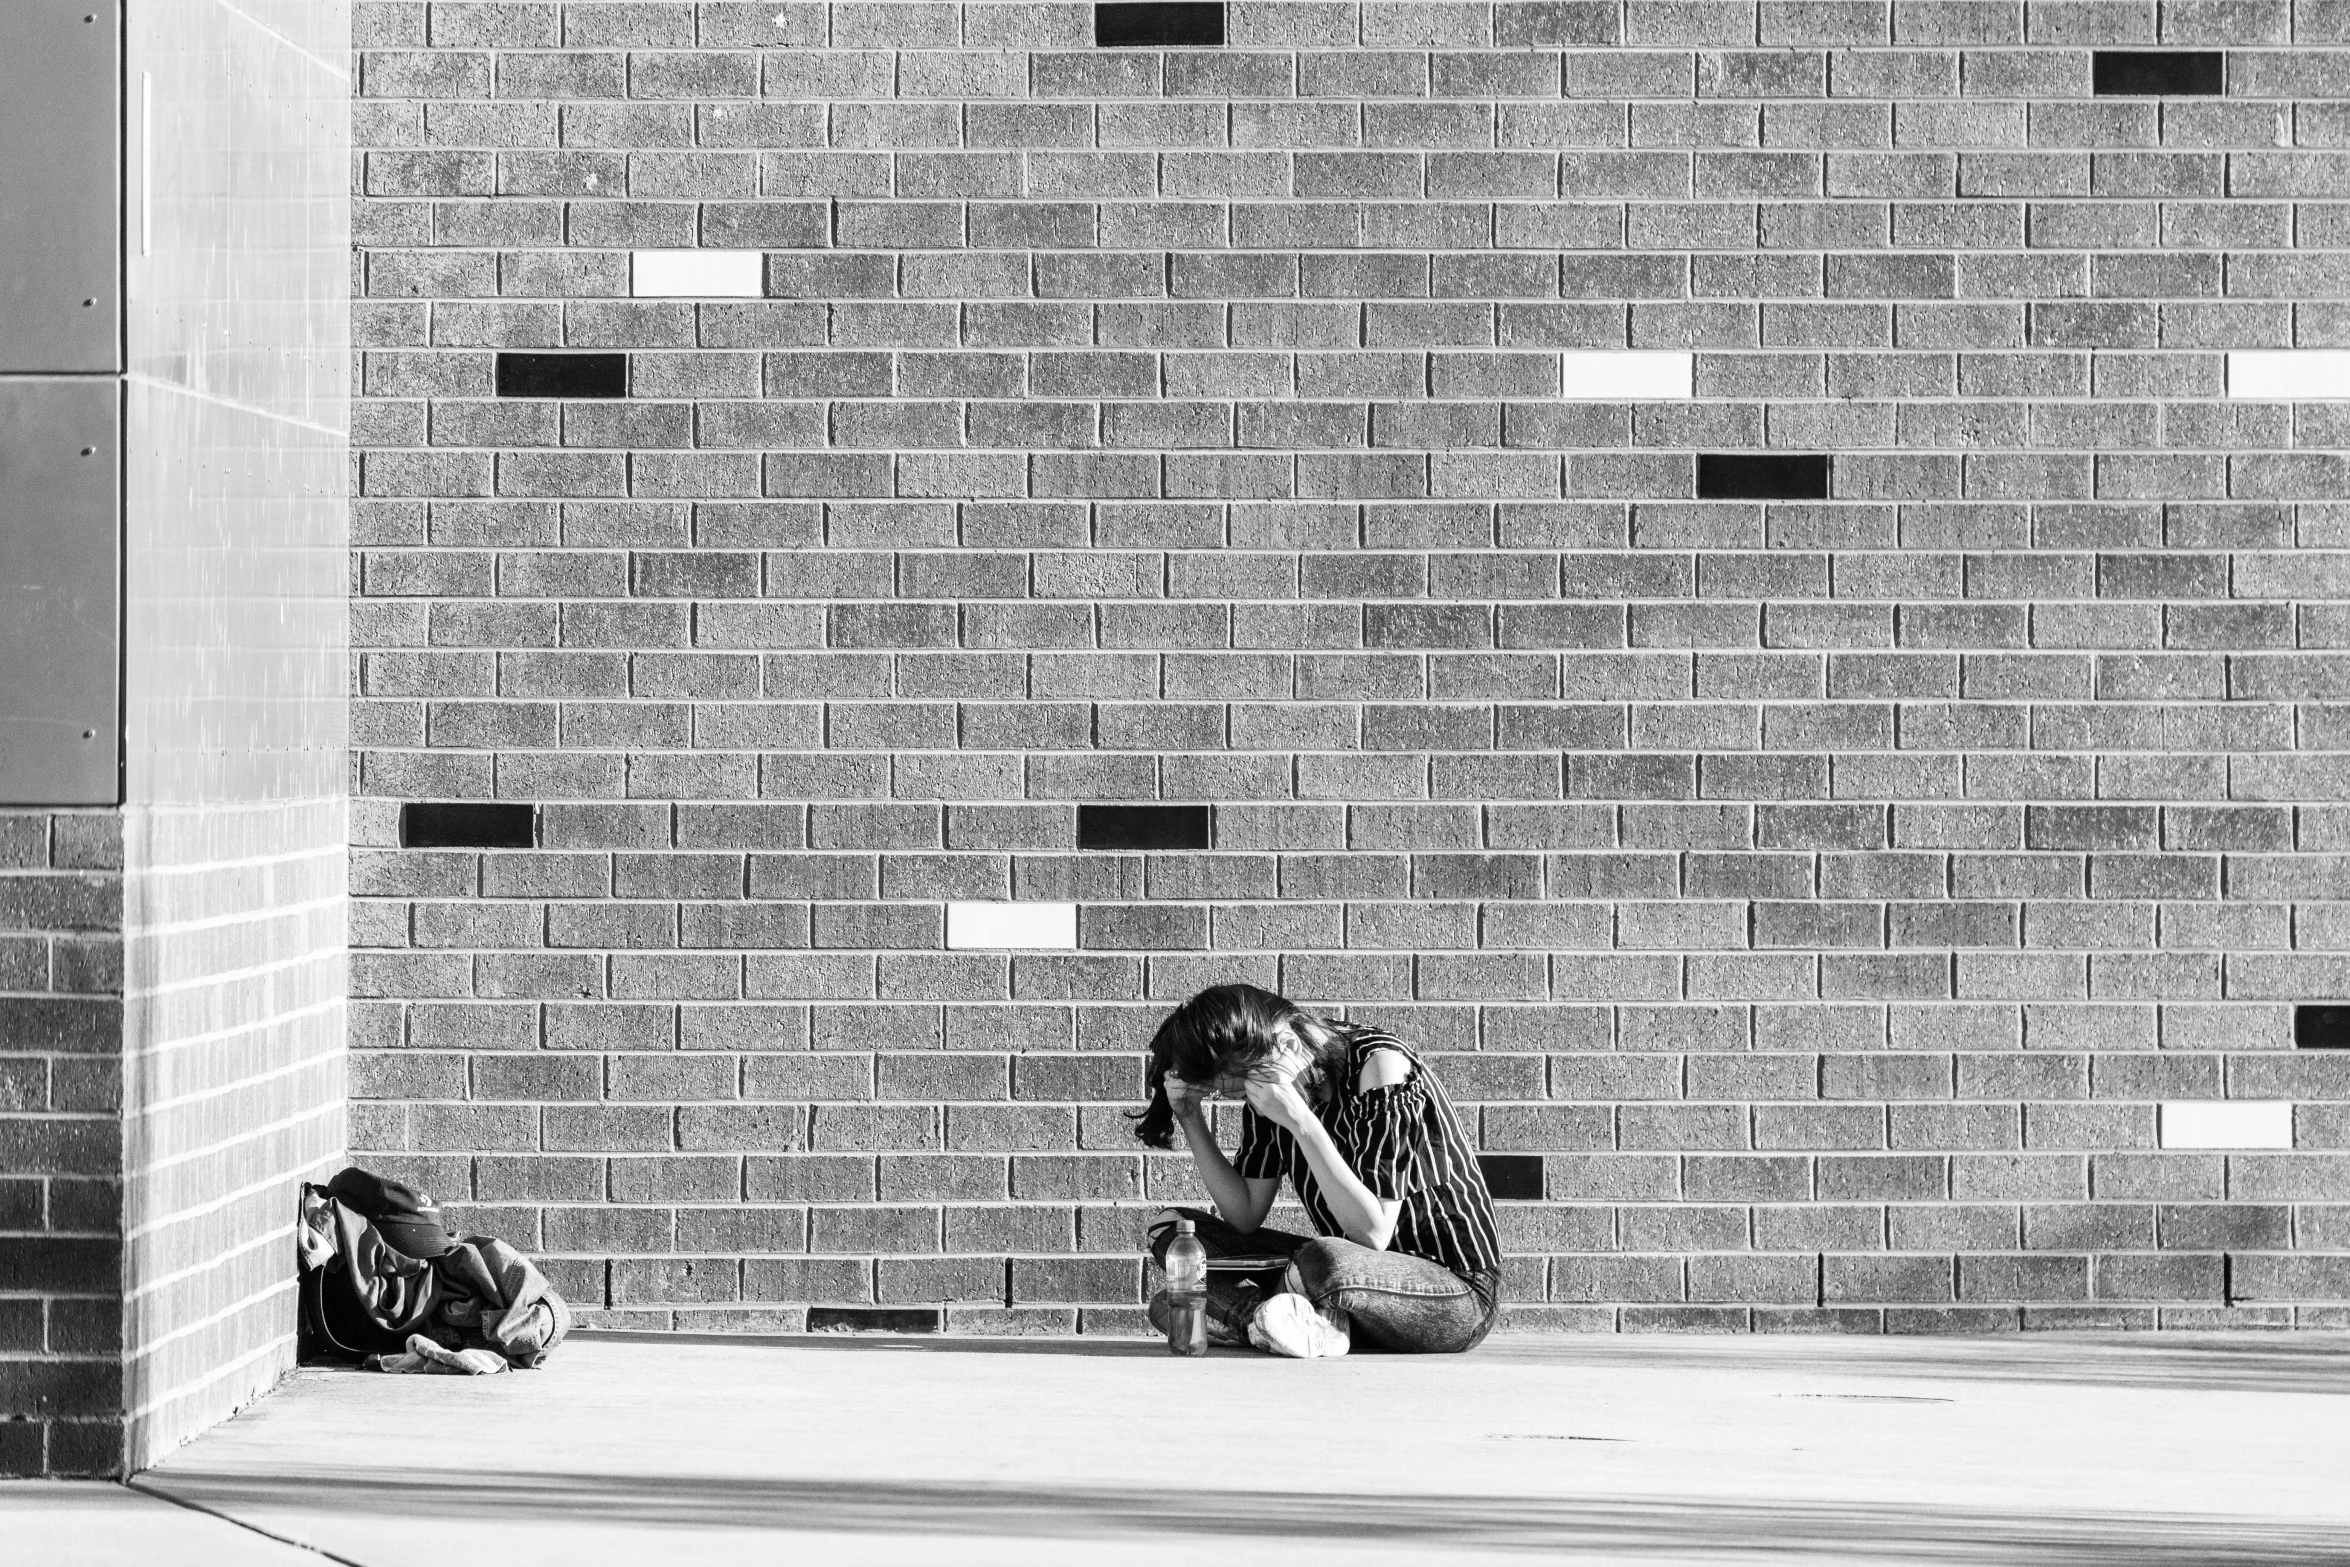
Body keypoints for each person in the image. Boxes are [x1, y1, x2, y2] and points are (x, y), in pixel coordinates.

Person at [1131, 983, 1502, 1358]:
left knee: (1322, 1260)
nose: (1252, 1103)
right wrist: (1191, 1118)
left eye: (1244, 1092)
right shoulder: (1270, 1078)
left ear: (1289, 1046)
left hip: (1452, 1292)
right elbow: (1244, 1215)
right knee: (1174, 1233)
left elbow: (1374, 1233)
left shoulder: (1381, 1068)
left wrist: (1303, 1124)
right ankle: (1285, 1321)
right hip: (1338, 1280)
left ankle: (1246, 1316)